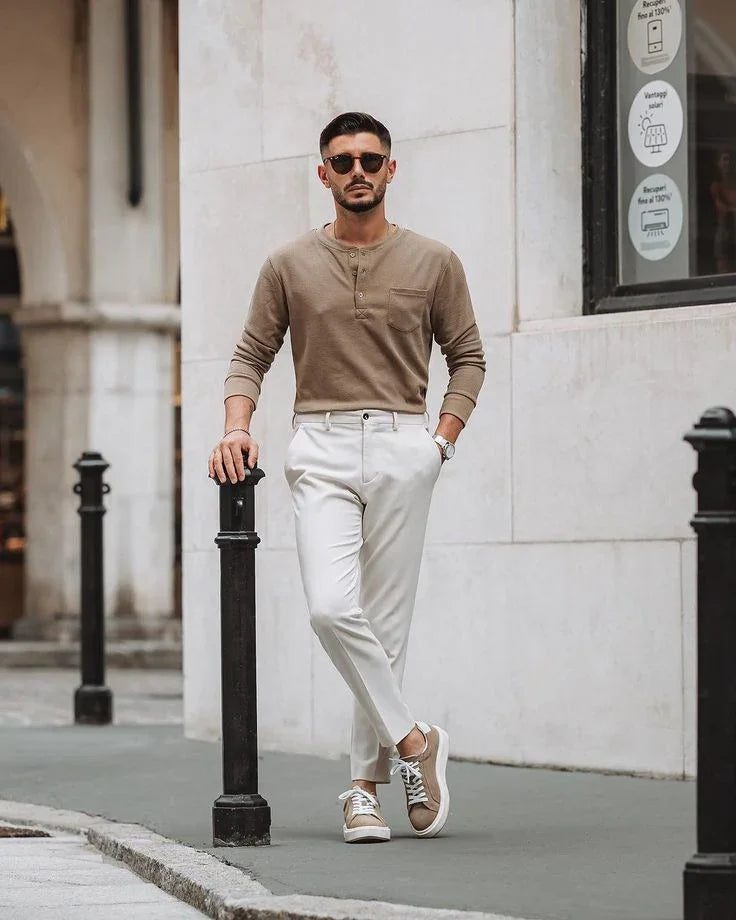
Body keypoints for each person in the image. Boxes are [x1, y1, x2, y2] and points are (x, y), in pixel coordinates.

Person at [208, 112, 486, 844]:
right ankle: (416, 743)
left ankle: (362, 791)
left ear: (391, 170)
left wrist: (441, 443)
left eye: (370, 159)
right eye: (342, 160)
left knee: (385, 627)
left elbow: (468, 356)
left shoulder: (434, 261)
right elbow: (249, 355)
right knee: (334, 610)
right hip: (321, 448)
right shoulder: (288, 264)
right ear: (323, 173)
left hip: (403, 444)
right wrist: (238, 425)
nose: (357, 171)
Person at [710, 149, 736, 274]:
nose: (728, 163)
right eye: (724, 159)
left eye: (730, 159)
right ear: (718, 163)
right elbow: (722, 209)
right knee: (724, 271)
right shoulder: (716, 186)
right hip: (724, 233)